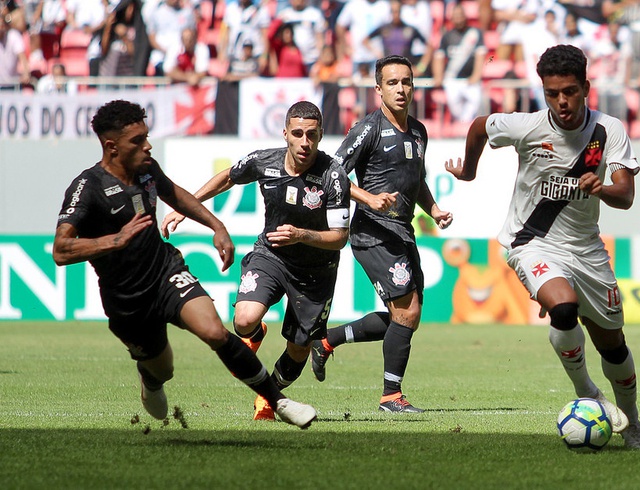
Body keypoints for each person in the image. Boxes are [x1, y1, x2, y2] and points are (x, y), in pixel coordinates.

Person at [53, 99, 317, 429]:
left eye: (146, 136)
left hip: (165, 271)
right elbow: (61, 250)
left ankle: (278, 401)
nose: (147, 145)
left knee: (214, 331)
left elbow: (175, 194)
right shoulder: (87, 187)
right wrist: (116, 241)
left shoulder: (146, 168)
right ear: (111, 147)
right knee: (163, 369)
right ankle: (150, 381)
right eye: (137, 140)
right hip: (126, 298)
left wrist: (216, 226)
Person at [444, 45, 640, 449]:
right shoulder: (526, 126)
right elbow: (479, 127)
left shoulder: (608, 130)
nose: (562, 101)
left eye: (570, 92)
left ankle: (634, 426)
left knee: (614, 345)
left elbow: (625, 195)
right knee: (563, 308)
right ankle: (588, 393)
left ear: (586, 88)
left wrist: (602, 188)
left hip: (588, 251)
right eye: (553, 93)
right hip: (531, 242)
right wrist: (469, 172)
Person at [161, 101, 351, 420]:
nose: (305, 142)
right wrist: (185, 208)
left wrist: (303, 235)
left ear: (320, 137)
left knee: (299, 350)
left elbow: (340, 237)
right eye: (298, 134)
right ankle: (260, 344)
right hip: (271, 256)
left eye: (312, 135)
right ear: (286, 134)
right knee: (244, 320)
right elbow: (228, 178)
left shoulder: (333, 175)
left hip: (316, 272)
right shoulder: (265, 161)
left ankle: (270, 394)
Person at [311, 55, 454, 413]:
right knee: (407, 312)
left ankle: (328, 340)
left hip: (402, 231)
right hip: (372, 232)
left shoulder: (419, 131)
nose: (401, 89)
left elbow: (416, 179)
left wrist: (433, 209)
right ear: (378, 89)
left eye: (406, 81)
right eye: (392, 83)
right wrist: (369, 198)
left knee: (405, 316)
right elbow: (334, 173)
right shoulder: (367, 128)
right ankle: (391, 396)